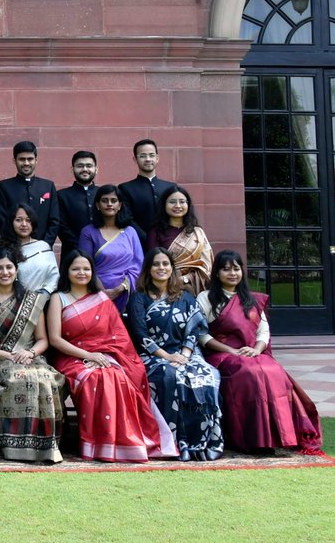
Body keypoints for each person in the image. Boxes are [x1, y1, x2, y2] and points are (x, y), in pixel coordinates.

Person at [47, 251, 177, 462]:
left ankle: (121, 443)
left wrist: (101, 356)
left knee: (116, 376)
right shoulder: (58, 298)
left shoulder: (101, 299)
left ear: (92, 272)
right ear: (67, 272)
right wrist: (88, 355)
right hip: (70, 357)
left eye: (86, 269)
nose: (82, 273)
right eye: (76, 269)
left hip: (104, 355)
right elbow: (55, 339)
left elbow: (117, 337)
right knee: (94, 378)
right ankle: (97, 445)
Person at [198, 250, 323, 455]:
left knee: (273, 370)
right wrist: (232, 350)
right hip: (222, 354)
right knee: (250, 374)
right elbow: (201, 334)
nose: (232, 273)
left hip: (252, 352)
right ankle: (252, 439)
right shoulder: (206, 298)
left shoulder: (252, 299)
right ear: (217, 273)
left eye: (236, 269)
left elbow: (263, 331)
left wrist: (256, 350)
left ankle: (280, 437)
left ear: (242, 272)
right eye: (226, 269)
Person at [127, 248, 223, 461]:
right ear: (148, 269)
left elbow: (195, 329)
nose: (161, 268)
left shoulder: (185, 297)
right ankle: (176, 442)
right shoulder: (139, 299)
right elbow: (140, 334)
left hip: (186, 353)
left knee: (207, 376)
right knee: (170, 376)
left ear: (172, 268)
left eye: (165, 264)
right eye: (156, 264)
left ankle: (206, 442)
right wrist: (168, 357)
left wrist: (186, 355)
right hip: (153, 356)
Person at [0, 247, 65, 463]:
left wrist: (29, 353)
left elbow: (43, 340)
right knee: (19, 378)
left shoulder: (31, 300)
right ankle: (17, 446)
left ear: (16, 270)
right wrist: (8, 354)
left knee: (46, 379)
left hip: (29, 356)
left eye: (9, 267)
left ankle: (45, 446)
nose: (5, 272)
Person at [77, 184, 144, 311]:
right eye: (104, 200)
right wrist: (102, 293)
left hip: (127, 293)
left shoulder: (130, 232)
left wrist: (121, 288)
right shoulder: (88, 232)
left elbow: (138, 264)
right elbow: (85, 265)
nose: (109, 204)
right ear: (97, 205)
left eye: (114, 201)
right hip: (95, 293)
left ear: (120, 205)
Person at [147, 186, 212, 296]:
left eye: (182, 202)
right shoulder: (156, 232)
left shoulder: (197, 232)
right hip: (164, 288)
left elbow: (207, 265)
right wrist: (173, 280)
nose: (177, 206)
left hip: (195, 288)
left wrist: (185, 279)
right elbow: (152, 263)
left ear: (188, 205)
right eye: (172, 202)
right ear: (164, 205)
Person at [0, 140, 59, 248]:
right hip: (14, 249)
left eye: (30, 159)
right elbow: (3, 220)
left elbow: (54, 221)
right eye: (22, 159)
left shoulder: (48, 186)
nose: (26, 163)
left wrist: (45, 245)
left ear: (36, 160)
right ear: (14, 161)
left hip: (43, 248)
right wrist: (14, 246)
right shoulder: (4, 186)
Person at [118, 138, 175, 240]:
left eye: (151, 155)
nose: (148, 159)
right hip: (140, 244)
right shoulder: (125, 188)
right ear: (135, 160)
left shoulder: (171, 187)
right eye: (143, 156)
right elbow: (126, 219)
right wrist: (147, 238)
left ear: (157, 158)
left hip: (170, 241)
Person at [0, 204, 59, 295]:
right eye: (19, 220)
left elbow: (53, 275)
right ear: (11, 222)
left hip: (44, 299)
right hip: (11, 301)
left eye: (28, 220)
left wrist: (43, 294)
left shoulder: (43, 246)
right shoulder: (2, 248)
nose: (24, 224)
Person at [57, 150, 98, 254]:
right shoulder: (61, 195)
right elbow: (61, 227)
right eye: (80, 166)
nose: (85, 169)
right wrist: (81, 247)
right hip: (72, 252)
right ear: (72, 169)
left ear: (96, 169)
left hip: (102, 252)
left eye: (89, 166)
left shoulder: (104, 194)